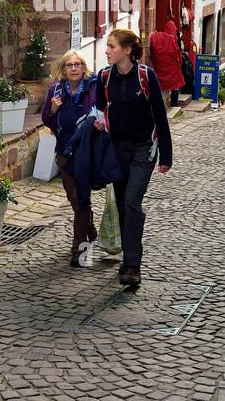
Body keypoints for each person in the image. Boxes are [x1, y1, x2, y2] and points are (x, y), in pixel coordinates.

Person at [92, 28, 172, 288]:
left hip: (143, 148)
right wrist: (99, 123)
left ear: (127, 51)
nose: (107, 51)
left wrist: (166, 155)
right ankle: (128, 259)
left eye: (112, 46)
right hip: (117, 150)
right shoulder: (104, 77)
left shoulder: (145, 75)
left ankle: (133, 265)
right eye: (107, 46)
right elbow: (99, 109)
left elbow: (160, 115)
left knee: (132, 202)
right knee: (124, 204)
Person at [41, 50, 100, 267]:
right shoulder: (55, 91)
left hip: (87, 152)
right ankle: (89, 227)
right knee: (75, 199)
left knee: (81, 197)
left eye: (78, 64)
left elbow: (100, 112)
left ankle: (79, 248)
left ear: (84, 68)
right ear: (63, 70)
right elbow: (46, 120)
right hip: (65, 153)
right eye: (69, 65)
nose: (74, 68)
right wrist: (54, 109)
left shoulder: (93, 88)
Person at [148, 19, 186, 107]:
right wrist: (179, 64)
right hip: (171, 69)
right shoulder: (172, 40)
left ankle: (160, 104)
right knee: (175, 84)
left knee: (160, 87)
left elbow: (151, 51)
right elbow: (177, 55)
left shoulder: (157, 37)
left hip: (158, 68)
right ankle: (173, 103)